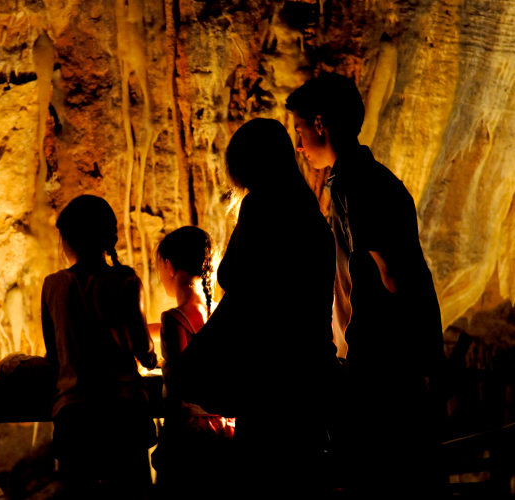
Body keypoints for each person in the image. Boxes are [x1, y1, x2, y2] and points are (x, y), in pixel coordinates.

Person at [287, 72, 446, 496]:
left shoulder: (357, 187)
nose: (299, 146)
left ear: (320, 124)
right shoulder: (364, 182)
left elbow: (393, 273)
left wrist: (383, 354)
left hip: (379, 366)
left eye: (300, 131)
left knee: (377, 479)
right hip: (380, 360)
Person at [176, 118, 340, 497]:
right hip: (309, 368)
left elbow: (235, 272)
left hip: (268, 372)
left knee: (261, 475)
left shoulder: (262, 205)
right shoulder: (310, 210)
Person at [40, 194, 158, 500]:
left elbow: (54, 355)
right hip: (124, 411)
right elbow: (144, 352)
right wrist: (155, 358)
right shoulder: (125, 281)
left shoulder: (53, 286)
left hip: (74, 414)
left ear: (67, 241)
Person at [150, 226, 235, 499]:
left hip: (188, 439)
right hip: (223, 432)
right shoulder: (215, 313)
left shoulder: (173, 319)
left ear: (168, 266)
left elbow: (179, 385)